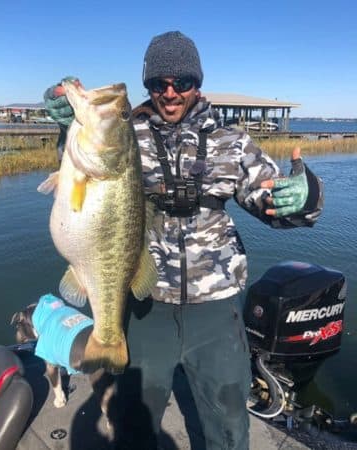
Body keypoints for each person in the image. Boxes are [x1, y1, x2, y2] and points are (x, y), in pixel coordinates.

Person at [44, 31, 323, 450]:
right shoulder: (126, 133)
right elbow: (78, 176)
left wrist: (302, 197)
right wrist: (68, 124)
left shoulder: (232, 142)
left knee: (228, 425)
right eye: (159, 83)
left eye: (182, 82)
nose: (170, 93)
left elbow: (274, 202)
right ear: (148, 85)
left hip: (217, 309)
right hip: (144, 307)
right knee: (135, 424)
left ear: (198, 82)